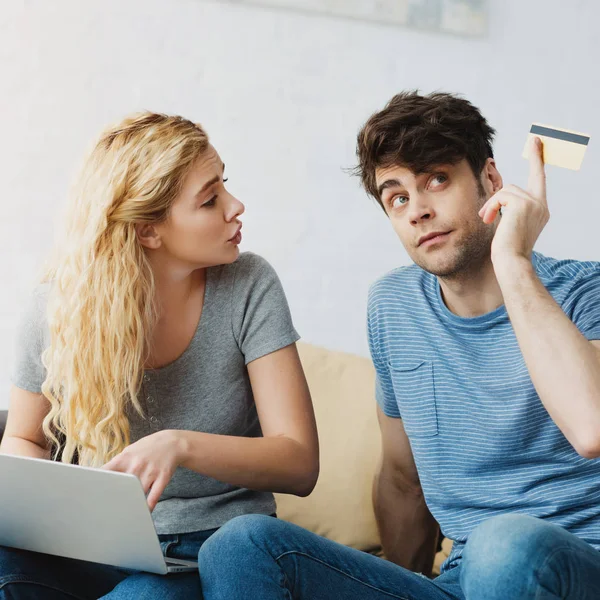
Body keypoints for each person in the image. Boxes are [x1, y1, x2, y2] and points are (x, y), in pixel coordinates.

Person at [196, 92, 600, 599]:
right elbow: (403, 479)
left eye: (437, 179)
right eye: (398, 197)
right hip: (461, 581)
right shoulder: (394, 305)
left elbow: (592, 428)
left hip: (577, 566)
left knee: (505, 545)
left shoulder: (586, 291)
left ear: (491, 181)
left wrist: (514, 261)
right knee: (241, 544)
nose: (418, 211)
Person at [0, 111, 319, 599]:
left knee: (144, 597)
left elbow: (299, 463)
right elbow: (22, 439)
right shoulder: (56, 307)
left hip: (210, 549)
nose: (236, 207)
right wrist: (65, 509)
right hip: (101, 546)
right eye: (210, 200)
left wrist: (180, 444)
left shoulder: (248, 285)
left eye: (224, 187)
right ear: (149, 230)